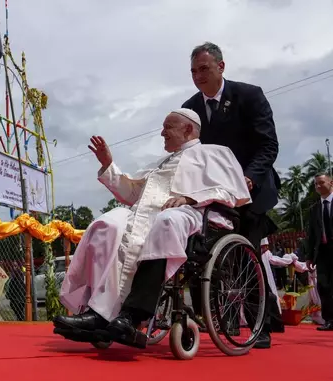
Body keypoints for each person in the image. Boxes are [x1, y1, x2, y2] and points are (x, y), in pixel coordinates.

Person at [54, 108, 250, 337]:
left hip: (192, 215)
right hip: (145, 214)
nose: (162, 133)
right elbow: (132, 194)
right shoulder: (160, 163)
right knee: (109, 223)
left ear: (187, 129)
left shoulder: (214, 154)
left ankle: (134, 315)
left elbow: (230, 193)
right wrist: (109, 165)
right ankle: (97, 312)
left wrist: (189, 198)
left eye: (167, 127)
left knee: (166, 221)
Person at [182, 42, 282, 348]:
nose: (198, 76)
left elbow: (268, 145)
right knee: (210, 257)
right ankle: (220, 320)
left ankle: (259, 325)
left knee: (246, 255)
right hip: (214, 195)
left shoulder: (249, 96)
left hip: (251, 191)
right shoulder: (191, 108)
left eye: (204, 69)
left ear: (221, 67)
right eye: (194, 71)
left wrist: (249, 178)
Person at [305, 173, 333, 331]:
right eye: (316, 184)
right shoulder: (315, 209)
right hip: (322, 253)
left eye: (321, 182)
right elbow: (312, 234)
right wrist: (309, 257)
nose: (318, 186)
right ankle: (329, 320)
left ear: (331, 182)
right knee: (324, 287)